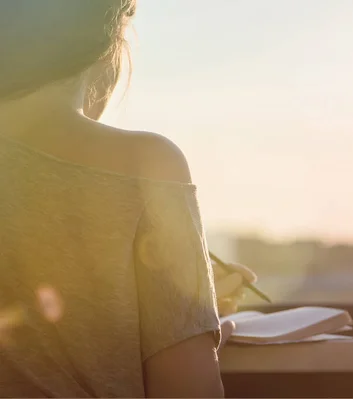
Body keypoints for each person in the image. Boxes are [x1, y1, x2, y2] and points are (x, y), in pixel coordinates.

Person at [0, 1, 257, 397]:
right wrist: (186, 331)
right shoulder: (145, 164)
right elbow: (189, 390)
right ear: (109, 43)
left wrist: (177, 312)